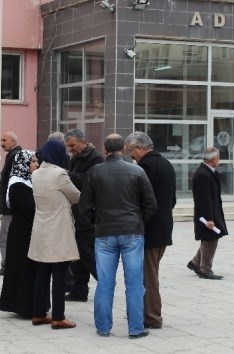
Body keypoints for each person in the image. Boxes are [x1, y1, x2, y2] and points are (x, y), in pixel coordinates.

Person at [79, 133, 157, 339]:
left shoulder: (94, 171)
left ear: (105, 150)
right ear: (124, 148)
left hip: (104, 232)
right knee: (134, 284)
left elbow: (84, 206)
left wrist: (97, 221)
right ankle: (136, 328)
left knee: (104, 283)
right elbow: (151, 204)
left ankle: (103, 327)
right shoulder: (137, 171)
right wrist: (139, 221)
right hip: (132, 231)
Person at [125, 132, 176, 330]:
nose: (131, 156)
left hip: (150, 230)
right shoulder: (167, 165)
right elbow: (172, 200)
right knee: (150, 273)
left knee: (149, 276)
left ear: (139, 148)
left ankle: (152, 317)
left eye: (132, 151)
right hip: (164, 227)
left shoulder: (145, 167)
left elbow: (143, 201)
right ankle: (146, 313)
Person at [28, 140, 81, 329]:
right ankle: (58, 317)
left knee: (42, 273)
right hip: (58, 228)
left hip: (41, 228)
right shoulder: (60, 174)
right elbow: (76, 196)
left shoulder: (36, 174)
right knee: (59, 273)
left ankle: (39, 313)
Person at [63, 129, 104, 302]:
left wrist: (66, 175)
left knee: (86, 253)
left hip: (88, 214)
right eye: (68, 146)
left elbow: (87, 181)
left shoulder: (95, 159)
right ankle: (79, 290)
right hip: (76, 213)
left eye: (73, 145)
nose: (70, 149)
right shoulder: (75, 158)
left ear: (83, 142)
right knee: (77, 255)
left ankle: (105, 282)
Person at [0, 150, 40, 318]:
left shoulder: (28, 182)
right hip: (22, 233)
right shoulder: (17, 185)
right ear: (23, 164)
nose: (36, 165)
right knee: (23, 267)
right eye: (33, 161)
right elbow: (31, 209)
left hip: (27, 231)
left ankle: (29, 304)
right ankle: (23, 305)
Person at [187, 147, 228, 280]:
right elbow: (204, 199)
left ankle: (195, 263)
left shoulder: (208, 172)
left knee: (210, 238)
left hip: (212, 211)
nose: (219, 160)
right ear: (212, 159)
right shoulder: (202, 174)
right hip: (207, 214)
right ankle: (205, 269)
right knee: (210, 238)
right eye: (218, 158)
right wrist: (209, 218)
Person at [0, 132, 22, 276]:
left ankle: (7, 265)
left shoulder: (14, 156)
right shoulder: (14, 155)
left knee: (5, 236)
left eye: (4, 140)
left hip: (10, 206)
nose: (2, 143)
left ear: (13, 141)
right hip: (11, 205)